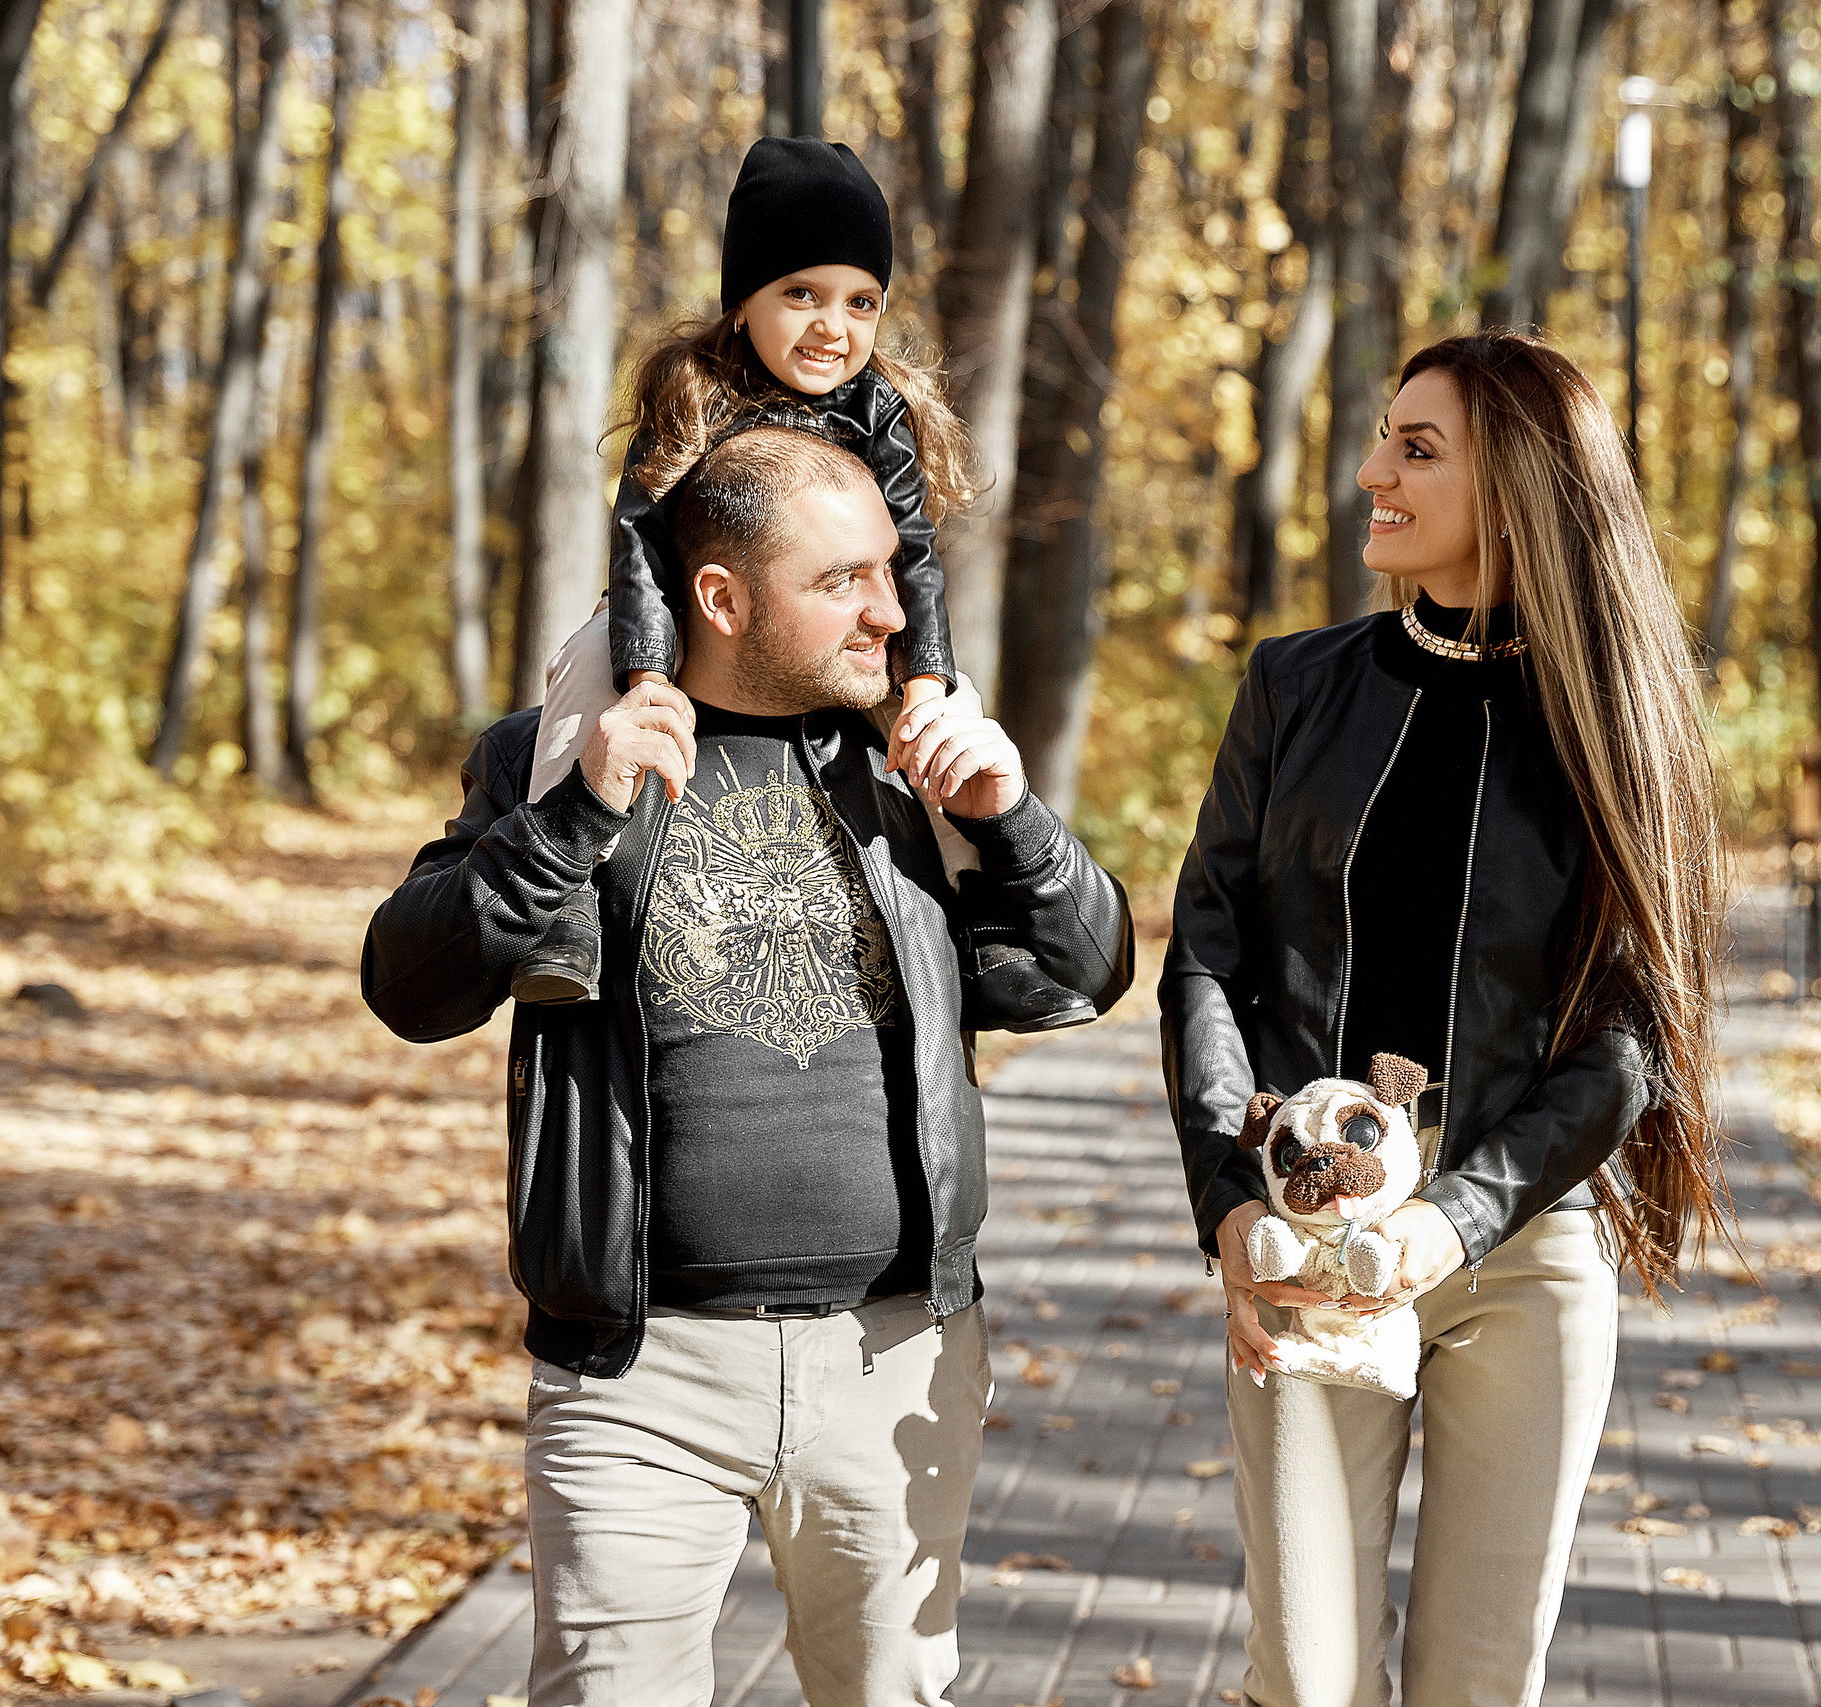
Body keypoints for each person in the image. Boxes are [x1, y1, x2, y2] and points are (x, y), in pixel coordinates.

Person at [362, 423, 1133, 1707]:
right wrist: (570, 820)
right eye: (843, 581)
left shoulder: (916, 765)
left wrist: (1016, 824)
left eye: (890, 570)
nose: (891, 611)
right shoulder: (558, 749)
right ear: (720, 597)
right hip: (638, 1373)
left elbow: (1091, 971)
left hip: (896, 1366)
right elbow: (409, 983)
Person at [1159, 330, 1736, 1707]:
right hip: (1306, 1240)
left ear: (1523, 482)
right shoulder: (1295, 687)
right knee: (1305, 1678)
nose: (1371, 472)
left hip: (1527, 1247)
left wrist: (1456, 1215)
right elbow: (1206, 957)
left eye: (1417, 449)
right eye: (1383, 438)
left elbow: (1631, 1039)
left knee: (1480, 1683)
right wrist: (1234, 1201)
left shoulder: (1618, 722)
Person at [510, 135, 1097, 1035]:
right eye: (802, 294)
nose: (835, 326)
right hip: (672, 607)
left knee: (950, 720)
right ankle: (569, 898)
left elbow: (914, 553)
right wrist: (646, 668)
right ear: (742, 301)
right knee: (583, 676)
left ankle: (986, 926)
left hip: (857, 621)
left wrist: (927, 671)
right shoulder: (690, 388)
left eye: (862, 301)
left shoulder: (878, 408)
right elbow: (637, 537)